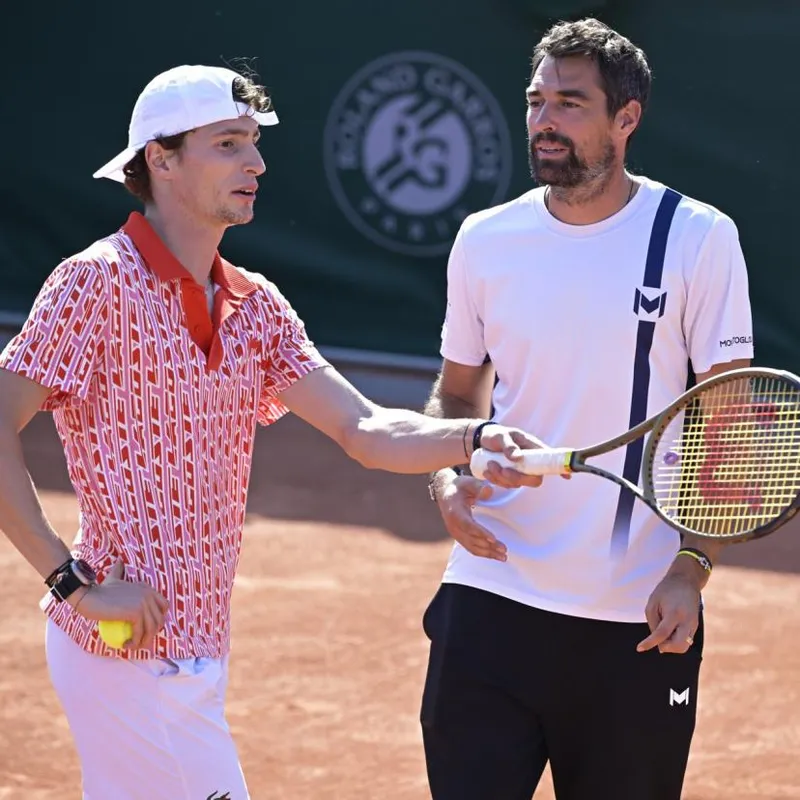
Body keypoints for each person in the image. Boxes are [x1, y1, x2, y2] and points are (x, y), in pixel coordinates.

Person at [0, 63, 536, 800]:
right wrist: (72, 584)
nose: (255, 162)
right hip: (128, 655)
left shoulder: (257, 308)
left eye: (253, 143)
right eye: (228, 143)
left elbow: (366, 427)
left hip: (194, 655)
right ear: (161, 157)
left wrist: (475, 437)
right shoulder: (91, 283)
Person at [420, 18, 754, 800]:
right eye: (537, 100)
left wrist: (691, 567)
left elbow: (731, 426)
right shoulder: (484, 239)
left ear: (626, 118)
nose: (544, 120)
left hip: (636, 624)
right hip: (489, 595)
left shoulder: (697, 238)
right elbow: (458, 393)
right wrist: (444, 479)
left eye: (570, 103)